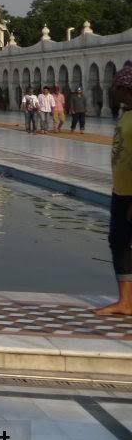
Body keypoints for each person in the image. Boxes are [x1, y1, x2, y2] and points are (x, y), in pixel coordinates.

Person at [94, 61, 132, 315]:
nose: (113, 91)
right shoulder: (126, 115)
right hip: (121, 192)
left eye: (117, 86)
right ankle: (126, 302)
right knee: (118, 242)